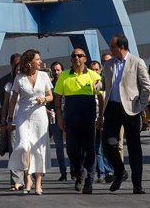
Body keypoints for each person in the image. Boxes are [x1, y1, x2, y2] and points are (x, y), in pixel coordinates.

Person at [100, 34, 150, 194]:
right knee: (108, 143)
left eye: (112, 47)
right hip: (112, 108)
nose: (110, 49)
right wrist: (98, 84)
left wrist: (140, 107)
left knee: (134, 147)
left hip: (131, 109)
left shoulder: (137, 62)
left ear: (121, 47)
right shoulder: (108, 64)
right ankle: (120, 171)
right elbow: (104, 82)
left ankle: (137, 184)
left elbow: (146, 87)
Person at [54, 48, 103, 193]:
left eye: (80, 56)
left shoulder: (94, 75)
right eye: (74, 56)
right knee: (71, 150)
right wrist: (59, 118)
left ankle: (89, 182)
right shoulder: (64, 76)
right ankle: (80, 172)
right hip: (71, 120)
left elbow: (100, 97)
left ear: (85, 58)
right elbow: (57, 100)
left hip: (88, 120)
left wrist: (100, 117)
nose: (77, 58)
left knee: (90, 150)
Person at [6, 49, 53, 195]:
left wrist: (44, 99)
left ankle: (38, 182)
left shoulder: (44, 76)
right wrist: (9, 119)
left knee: (38, 149)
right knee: (23, 146)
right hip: (23, 116)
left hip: (40, 116)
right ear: (29, 62)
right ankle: (27, 178)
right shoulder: (19, 78)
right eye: (37, 59)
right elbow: (13, 100)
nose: (40, 61)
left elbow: (51, 95)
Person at [0, 52, 24, 190]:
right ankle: (16, 181)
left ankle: (28, 178)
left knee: (26, 151)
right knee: (14, 151)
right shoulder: (6, 82)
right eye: (16, 65)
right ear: (12, 66)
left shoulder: (30, 79)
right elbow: (5, 105)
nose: (18, 68)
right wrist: (3, 123)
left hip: (27, 122)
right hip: (13, 122)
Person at [89, 60, 113, 183]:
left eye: (97, 69)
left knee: (107, 147)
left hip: (105, 119)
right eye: (92, 70)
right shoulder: (88, 85)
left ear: (100, 70)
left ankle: (110, 171)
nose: (94, 72)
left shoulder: (106, 85)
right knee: (96, 149)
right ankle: (102, 173)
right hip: (93, 120)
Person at [48, 61, 68, 181]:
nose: (56, 72)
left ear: (62, 70)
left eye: (58, 70)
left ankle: (75, 170)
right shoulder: (50, 84)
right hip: (55, 117)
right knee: (59, 146)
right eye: (54, 70)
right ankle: (63, 172)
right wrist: (48, 111)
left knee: (71, 146)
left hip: (68, 116)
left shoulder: (66, 81)